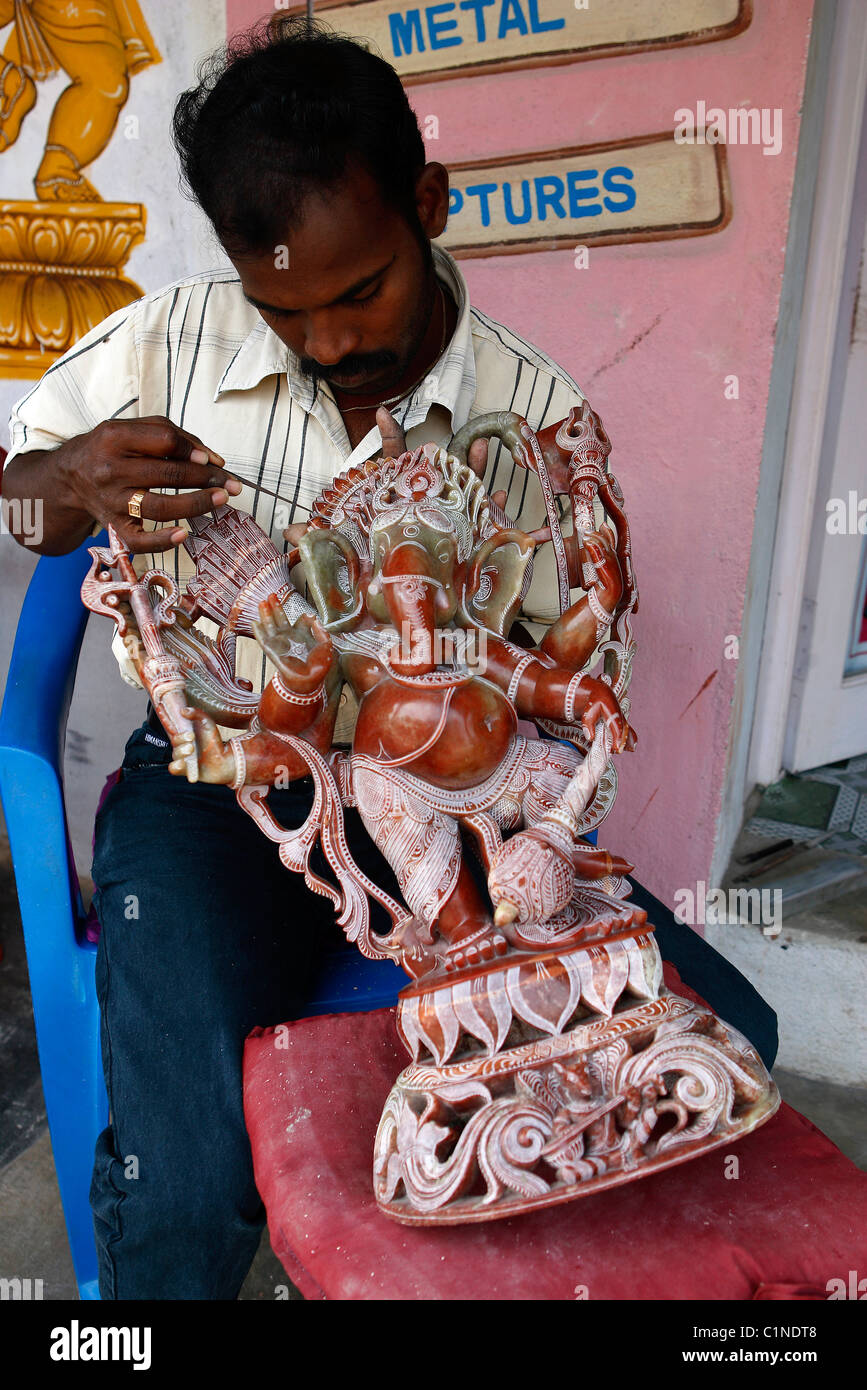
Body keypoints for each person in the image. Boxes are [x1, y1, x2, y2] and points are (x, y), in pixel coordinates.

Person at [2, 18, 777, 1300]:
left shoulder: (531, 419)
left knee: (724, 1038)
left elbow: (548, 675)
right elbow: (17, 503)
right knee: (188, 1192)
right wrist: (69, 482)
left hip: (443, 804)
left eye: (360, 292)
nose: (328, 345)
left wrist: (547, 734)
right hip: (219, 797)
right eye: (283, 307)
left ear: (427, 204)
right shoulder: (166, 346)